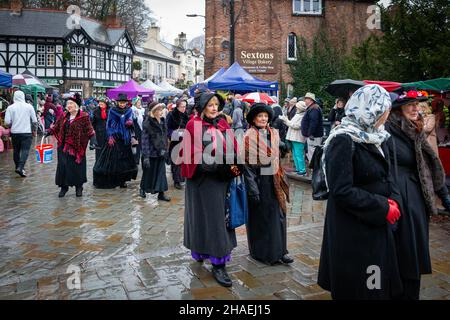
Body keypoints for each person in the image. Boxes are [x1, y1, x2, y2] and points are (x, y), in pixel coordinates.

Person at [318, 84, 403, 299]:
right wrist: (381, 206)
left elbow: (386, 173)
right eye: (385, 109)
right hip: (353, 230)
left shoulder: (375, 135)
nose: (387, 114)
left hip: (374, 224)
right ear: (372, 108)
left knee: (375, 284)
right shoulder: (343, 139)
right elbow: (341, 190)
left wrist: (392, 200)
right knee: (362, 287)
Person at [385, 90, 450, 300]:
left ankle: (410, 290)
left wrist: (442, 193)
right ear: (397, 108)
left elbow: (431, 164)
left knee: (415, 247)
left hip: (416, 195)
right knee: (403, 250)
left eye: (418, 104)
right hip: (399, 194)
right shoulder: (388, 130)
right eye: (411, 104)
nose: (416, 108)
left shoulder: (415, 129)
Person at [181, 92, 240, 287]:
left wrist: (233, 164)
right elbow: (190, 154)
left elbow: (232, 147)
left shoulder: (223, 124)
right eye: (211, 104)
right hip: (202, 180)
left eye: (217, 104)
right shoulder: (193, 125)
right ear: (203, 106)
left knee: (220, 219)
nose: (214, 108)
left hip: (222, 179)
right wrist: (214, 166)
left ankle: (218, 258)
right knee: (205, 218)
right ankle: (216, 262)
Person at [243, 103, 292, 265]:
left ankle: (281, 251)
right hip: (260, 181)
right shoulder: (249, 136)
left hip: (275, 179)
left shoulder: (273, 133)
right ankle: (264, 253)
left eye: (265, 116)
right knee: (263, 218)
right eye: (260, 116)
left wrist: (282, 148)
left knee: (278, 215)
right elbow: (247, 167)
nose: (263, 118)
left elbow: (278, 155)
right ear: (254, 119)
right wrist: (253, 189)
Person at [46, 94, 96, 197]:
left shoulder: (84, 116)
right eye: (68, 104)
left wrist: (93, 141)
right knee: (63, 166)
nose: (68, 106)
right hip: (63, 146)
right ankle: (64, 187)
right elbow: (56, 126)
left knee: (77, 168)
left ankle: (79, 187)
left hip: (77, 147)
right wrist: (50, 131)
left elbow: (89, 130)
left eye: (71, 104)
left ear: (76, 106)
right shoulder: (64, 115)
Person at [93, 93, 138, 189]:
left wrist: (130, 123)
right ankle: (115, 180)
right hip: (115, 138)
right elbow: (109, 124)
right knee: (115, 160)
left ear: (126, 103)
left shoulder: (129, 110)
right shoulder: (113, 111)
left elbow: (132, 123)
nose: (122, 104)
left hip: (125, 138)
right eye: (120, 103)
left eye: (124, 103)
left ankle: (123, 181)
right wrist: (110, 136)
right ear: (117, 102)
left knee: (124, 160)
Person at [139, 102, 170, 201]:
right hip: (151, 153)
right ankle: (143, 188)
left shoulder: (163, 121)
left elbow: (165, 137)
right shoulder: (148, 123)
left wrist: (165, 150)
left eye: (161, 110)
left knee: (161, 173)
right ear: (154, 111)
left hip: (161, 152)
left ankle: (161, 193)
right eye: (159, 110)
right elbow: (144, 141)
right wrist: (146, 156)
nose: (161, 112)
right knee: (148, 173)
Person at [4, 90, 38, 177]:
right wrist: (34, 131)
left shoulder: (10, 108)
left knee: (16, 151)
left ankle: (19, 168)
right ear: (23, 96)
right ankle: (20, 167)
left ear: (14, 97)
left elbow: (7, 122)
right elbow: (34, 120)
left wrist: (12, 124)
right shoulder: (29, 107)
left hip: (15, 132)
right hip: (26, 132)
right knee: (25, 150)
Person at [279, 101, 307, 175]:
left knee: (299, 154)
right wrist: (285, 120)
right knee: (295, 154)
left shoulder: (303, 116)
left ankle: (302, 170)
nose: (296, 108)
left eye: (297, 107)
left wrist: (286, 120)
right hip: (294, 137)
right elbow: (291, 123)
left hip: (298, 138)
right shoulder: (298, 114)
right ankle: (298, 169)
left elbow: (296, 126)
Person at [166, 99, 189, 189]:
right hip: (175, 141)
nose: (184, 108)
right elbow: (167, 128)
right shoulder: (171, 115)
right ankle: (177, 180)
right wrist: (175, 133)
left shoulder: (186, 115)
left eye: (185, 106)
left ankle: (181, 178)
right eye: (182, 106)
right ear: (178, 106)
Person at [301, 92, 324, 161]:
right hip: (313, 135)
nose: (305, 100)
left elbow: (313, 122)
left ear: (310, 100)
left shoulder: (314, 108)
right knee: (312, 153)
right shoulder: (312, 107)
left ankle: (314, 170)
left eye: (306, 99)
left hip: (314, 136)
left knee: (313, 153)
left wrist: (310, 133)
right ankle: (314, 169)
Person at [131, 96, 145, 164]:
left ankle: (142, 159)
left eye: (140, 102)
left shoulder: (142, 110)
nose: (139, 103)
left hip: (142, 129)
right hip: (135, 129)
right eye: (138, 102)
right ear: (135, 103)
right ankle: (136, 159)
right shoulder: (132, 110)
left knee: (142, 144)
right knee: (136, 145)